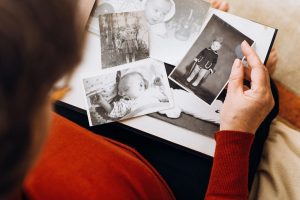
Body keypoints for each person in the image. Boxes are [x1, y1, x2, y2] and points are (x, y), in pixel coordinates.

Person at [0, 0, 278, 200]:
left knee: (166, 64)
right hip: (150, 178)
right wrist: (237, 137)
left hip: (75, 136)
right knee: (264, 94)